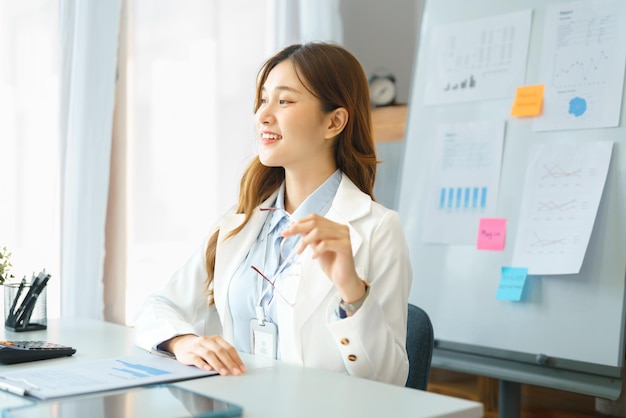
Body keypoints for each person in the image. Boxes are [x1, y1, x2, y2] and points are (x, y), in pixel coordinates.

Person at [135, 42, 413, 386]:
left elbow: (392, 380)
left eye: (284, 101)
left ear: (334, 122)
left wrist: (352, 291)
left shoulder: (378, 228)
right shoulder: (240, 221)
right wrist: (184, 342)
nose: (263, 115)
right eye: (263, 100)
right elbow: (159, 305)